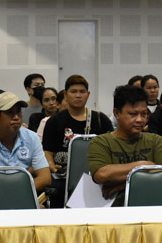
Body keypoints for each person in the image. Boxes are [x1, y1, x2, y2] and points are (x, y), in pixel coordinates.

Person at [88, 85, 162, 206]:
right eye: (133, 114)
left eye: (143, 114)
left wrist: (122, 185)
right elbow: (102, 175)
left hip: (151, 204)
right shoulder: (101, 142)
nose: (140, 120)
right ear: (116, 113)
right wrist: (146, 165)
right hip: (114, 208)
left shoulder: (156, 141)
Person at [43, 74, 114, 207]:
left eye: (82, 92)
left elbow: (112, 148)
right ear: (65, 94)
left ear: (88, 94)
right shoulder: (54, 121)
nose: (78, 95)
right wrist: (51, 165)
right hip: (63, 177)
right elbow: (47, 150)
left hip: (94, 175)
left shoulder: (100, 119)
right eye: (73, 91)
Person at [0, 91, 51, 193]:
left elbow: (45, 177)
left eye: (18, 112)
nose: (16, 117)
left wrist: (17, 193)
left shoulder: (32, 137)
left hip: (24, 194)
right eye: (9, 112)